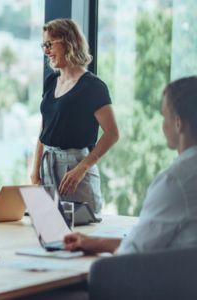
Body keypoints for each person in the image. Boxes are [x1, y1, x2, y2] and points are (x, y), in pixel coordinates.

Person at [64, 76, 197, 254]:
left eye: (164, 118)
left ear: (178, 123)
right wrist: (94, 242)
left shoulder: (175, 182)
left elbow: (134, 252)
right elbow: (147, 244)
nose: (163, 126)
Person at [30, 19, 119, 213]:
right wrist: (35, 169)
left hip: (75, 166)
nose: (46, 51)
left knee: (84, 229)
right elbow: (44, 128)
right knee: (48, 229)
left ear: (68, 42)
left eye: (50, 44)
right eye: (44, 45)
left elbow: (112, 133)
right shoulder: (51, 81)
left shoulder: (93, 87)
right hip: (48, 163)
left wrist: (82, 168)